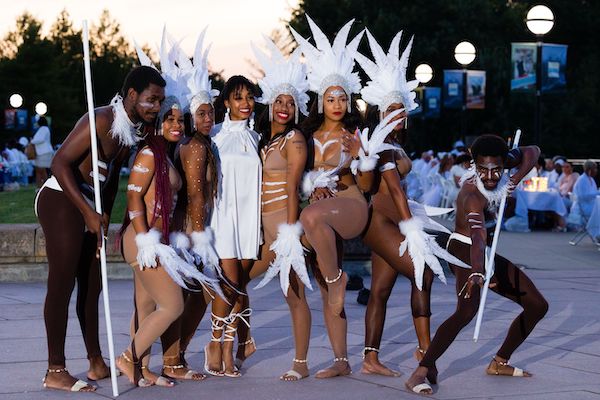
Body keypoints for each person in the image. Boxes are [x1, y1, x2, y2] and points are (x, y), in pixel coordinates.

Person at [34, 65, 166, 392]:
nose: (156, 107)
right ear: (132, 95)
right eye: (151, 99)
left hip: (90, 207)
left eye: (160, 101)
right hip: (60, 199)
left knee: (93, 286)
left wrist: (105, 218)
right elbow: (59, 163)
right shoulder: (102, 119)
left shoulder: (131, 131)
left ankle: (95, 362)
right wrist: (87, 212)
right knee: (62, 283)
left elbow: (110, 183)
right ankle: (55, 369)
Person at [354, 29, 468, 377]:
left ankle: (370, 358)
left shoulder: (394, 143)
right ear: (379, 112)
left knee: (381, 289)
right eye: (391, 110)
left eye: (402, 110)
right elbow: (396, 191)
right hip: (382, 224)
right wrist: (411, 228)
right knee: (424, 273)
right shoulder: (383, 144)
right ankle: (425, 351)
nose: (398, 116)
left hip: (385, 223)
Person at [405, 134, 548, 395]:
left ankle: (499, 362)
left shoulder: (505, 167)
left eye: (497, 170)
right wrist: (478, 271)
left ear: (505, 163)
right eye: (483, 170)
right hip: (463, 248)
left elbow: (533, 150)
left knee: (537, 306)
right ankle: (421, 371)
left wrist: (516, 177)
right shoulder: (472, 194)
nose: (490, 176)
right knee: (466, 310)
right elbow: (478, 237)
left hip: (484, 251)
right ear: (474, 165)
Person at [117, 43, 219, 388]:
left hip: (155, 240)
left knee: (145, 308)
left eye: (179, 119)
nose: (176, 124)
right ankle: (128, 358)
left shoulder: (169, 154)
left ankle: (143, 370)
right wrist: (145, 238)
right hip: (143, 240)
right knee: (172, 305)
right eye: (168, 119)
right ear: (158, 124)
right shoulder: (149, 153)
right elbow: (132, 196)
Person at [226, 37, 312, 381]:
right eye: (279, 101)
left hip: (283, 225)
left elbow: (292, 188)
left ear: (296, 110)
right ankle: (244, 341)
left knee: (294, 293)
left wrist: (291, 234)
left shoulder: (295, 140)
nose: (285, 108)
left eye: (290, 104)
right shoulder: (262, 138)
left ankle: (301, 363)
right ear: (271, 104)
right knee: (236, 284)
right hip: (259, 227)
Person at [291, 16, 371, 378]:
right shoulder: (305, 136)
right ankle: (341, 360)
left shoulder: (355, 134)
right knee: (325, 289)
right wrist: (312, 183)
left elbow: (367, 182)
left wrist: (357, 157)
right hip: (321, 214)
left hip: (350, 206)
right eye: (330, 98)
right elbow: (297, 176)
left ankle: (339, 279)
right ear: (320, 101)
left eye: (342, 97)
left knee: (310, 223)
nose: (337, 103)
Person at [157, 29, 221, 382]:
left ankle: (174, 355)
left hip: (187, 226)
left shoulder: (200, 144)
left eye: (211, 113)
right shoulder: (195, 147)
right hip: (188, 230)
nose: (208, 119)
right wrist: (199, 239)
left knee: (194, 294)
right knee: (191, 293)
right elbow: (196, 195)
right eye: (201, 114)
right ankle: (172, 359)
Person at [204, 75, 262, 378]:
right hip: (224, 216)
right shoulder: (213, 135)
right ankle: (217, 345)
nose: (245, 104)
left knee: (239, 283)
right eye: (238, 97)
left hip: (249, 217)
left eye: (250, 97)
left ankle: (229, 347)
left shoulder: (256, 139)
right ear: (226, 102)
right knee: (229, 282)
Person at [31, 117, 54, 187]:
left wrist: (31, 141)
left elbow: (40, 139)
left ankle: (44, 186)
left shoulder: (43, 129)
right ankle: (40, 186)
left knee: (41, 170)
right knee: (40, 170)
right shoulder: (45, 129)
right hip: (43, 152)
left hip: (43, 152)